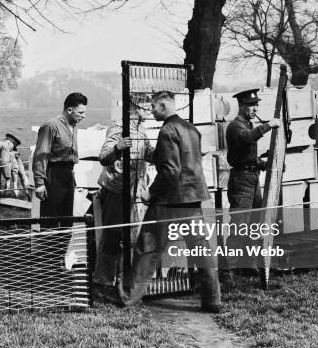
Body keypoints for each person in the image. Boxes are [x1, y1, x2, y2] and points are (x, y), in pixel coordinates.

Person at [122, 91, 221, 313]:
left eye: (154, 107)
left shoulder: (167, 130)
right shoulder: (191, 129)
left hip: (170, 200)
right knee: (201, 251)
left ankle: (130, 298)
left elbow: (170, 171)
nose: (151, 111)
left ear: (164, 106)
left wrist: (150, 193)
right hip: (193, 197)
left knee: (147, 248)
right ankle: (213, 300)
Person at [93, 99, 153, 303]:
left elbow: (149, 153)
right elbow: (103, 157)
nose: (151, 111)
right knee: (112, 236)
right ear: (137, 108)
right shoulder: (118, 128)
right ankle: (102, 282)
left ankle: (123, 280)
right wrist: (117, 148)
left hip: (134, 192)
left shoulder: (142, 129)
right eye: (147, 107)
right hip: (117, 190)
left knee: (130, 236)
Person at [225, 89, 279, 272]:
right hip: (241, 181)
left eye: (256, 104)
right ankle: (229, 271)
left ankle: (247, 266)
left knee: (254, 224)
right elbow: (247, 139)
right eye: (251, 105)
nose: (255, 108)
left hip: (252, 179)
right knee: (239, 226)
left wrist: (266, 165)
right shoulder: (236, 126)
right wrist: (268, 126)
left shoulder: (247, 124)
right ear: (241, 106)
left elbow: (249, 157)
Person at [32, 92, 88, 224]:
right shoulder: (51, 126)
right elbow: (41, 154)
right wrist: (39, 183)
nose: (83, 116)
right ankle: (50, 244)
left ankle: (64, 244)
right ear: (69, 110)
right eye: (80, 112)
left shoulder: (73, 126)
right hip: (53, 176)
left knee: (67, 219)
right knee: (51, 219)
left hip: (68, 175)